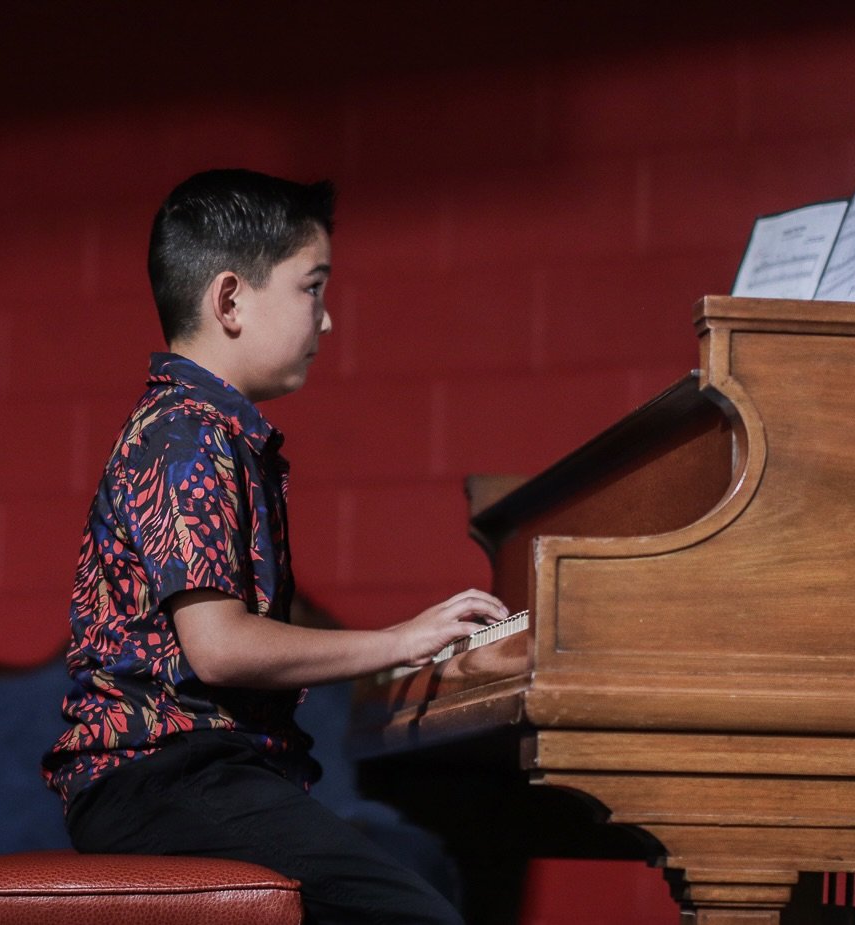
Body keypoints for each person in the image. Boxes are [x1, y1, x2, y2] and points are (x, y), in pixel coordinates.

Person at [42, 168, 508, 925]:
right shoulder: (188, 431)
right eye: (311, 287)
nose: (324, 322)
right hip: (159, 775)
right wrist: (400, 640)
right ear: (229, 299)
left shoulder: (208, 427)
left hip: (192, 773)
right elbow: (219, 648)